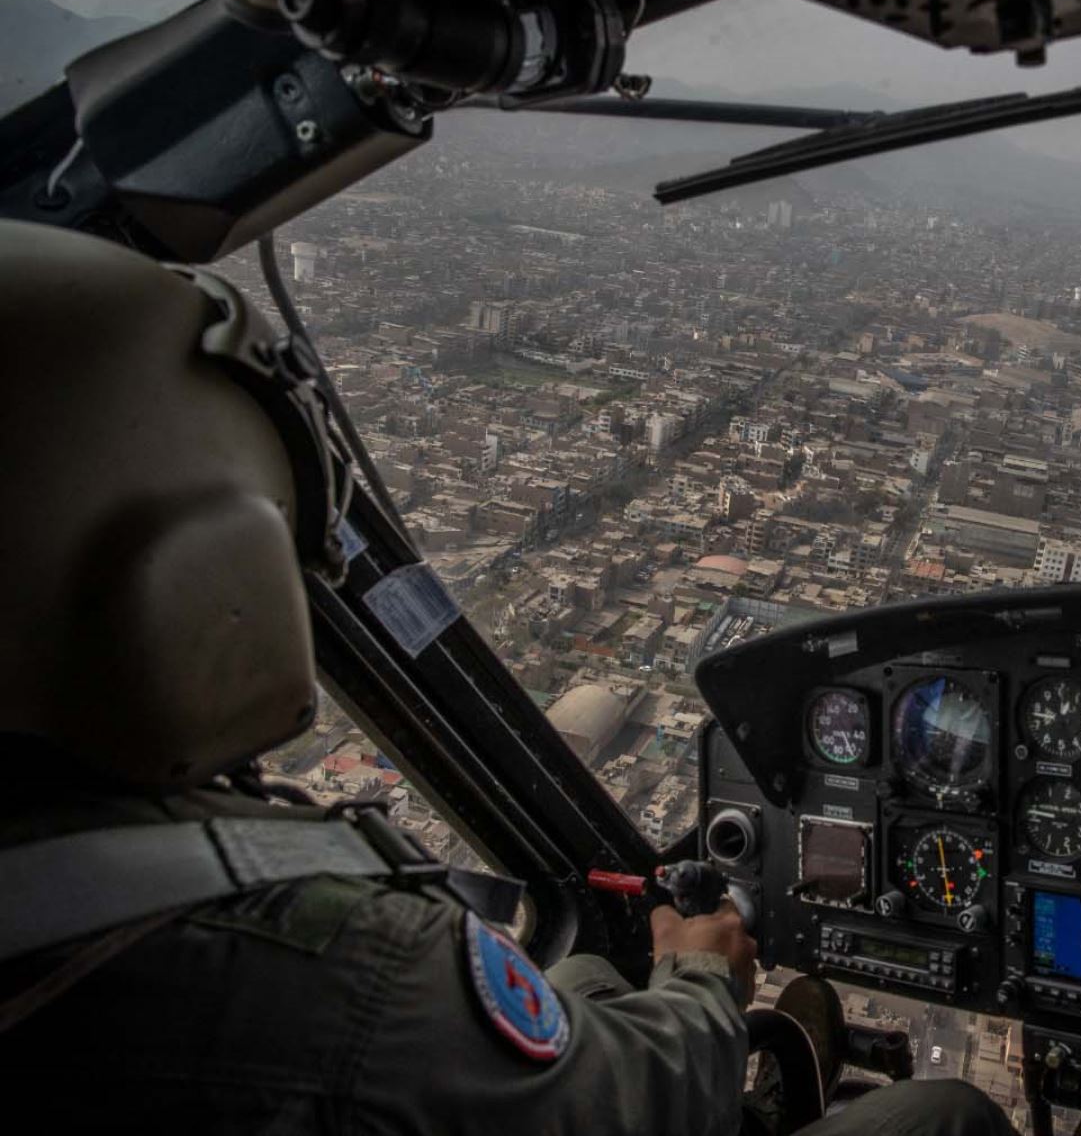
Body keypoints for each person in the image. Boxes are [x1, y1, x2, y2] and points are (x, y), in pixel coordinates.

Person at [0, 220, 1013, 1135]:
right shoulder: (317, 962)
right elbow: (628, 1106)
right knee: (948, 1111)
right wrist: (706, 978)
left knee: (578, 969)